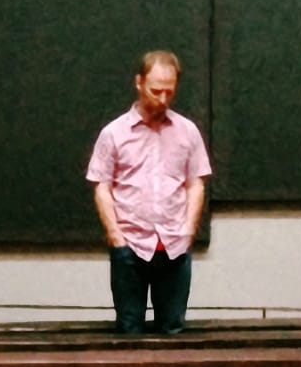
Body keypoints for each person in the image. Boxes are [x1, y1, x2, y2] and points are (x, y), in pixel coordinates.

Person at [86, 49, 212, 335]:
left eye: (170, 91)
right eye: (156, 91)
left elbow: (196, 183)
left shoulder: (188, 131)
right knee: (129, 330)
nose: (163, 99)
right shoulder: (114, 133)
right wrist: (116, 237)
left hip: (175, 246)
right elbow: (102, 186)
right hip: (129, 246)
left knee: (173, 329)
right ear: (139, 82)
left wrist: (188, 230)